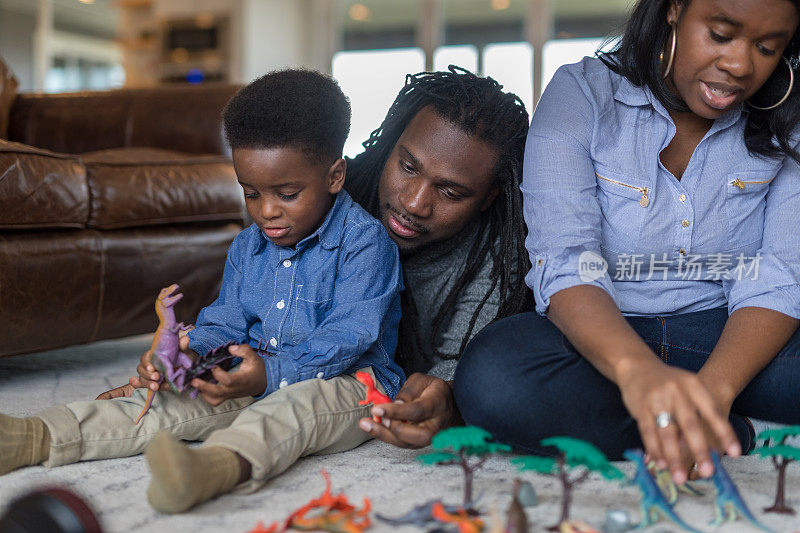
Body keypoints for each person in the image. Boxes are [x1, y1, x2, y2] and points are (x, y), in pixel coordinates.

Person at [0, 68, 405, 514]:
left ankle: (210, 469)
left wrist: (270, 376)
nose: (266, 211)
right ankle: (35, 436)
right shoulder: (248, 245)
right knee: (169, 399)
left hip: (351, 385)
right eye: (250, 193)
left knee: (292, 410)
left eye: (286, 193)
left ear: (334, 176)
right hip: (257, 368)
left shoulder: (366, 244)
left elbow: (349, 339)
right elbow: (226, 320)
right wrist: (186, 354)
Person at [455, 0, 800, 487]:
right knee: (496, 377)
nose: (741, 66)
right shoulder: (581, 93)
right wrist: (636, 373)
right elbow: (567, 263)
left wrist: (718, 388)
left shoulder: (790, 114)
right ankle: (728, 431)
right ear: (675, 9)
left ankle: (697, 414)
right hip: (603, 333)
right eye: (721, 35)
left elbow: (779, 276)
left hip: (732, 334)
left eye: (767, 48)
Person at [345, 66, 532, 448]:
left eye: (450, 192)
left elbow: (460, 367)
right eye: (408, 167)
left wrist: (446, 397)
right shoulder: (334, 199)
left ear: (489, 198)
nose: (413, 203)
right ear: (391, 144)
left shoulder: (498, 253)